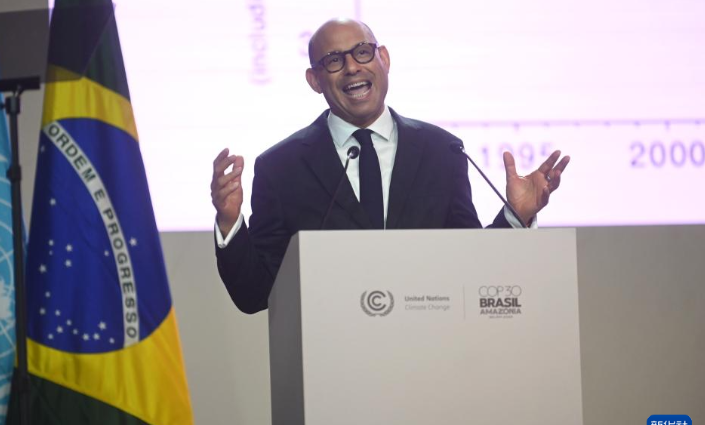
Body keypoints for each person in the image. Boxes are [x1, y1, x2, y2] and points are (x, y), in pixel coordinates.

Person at [211, 18, 569, 314]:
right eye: (334, 60)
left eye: (362, 52)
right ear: (315, 80)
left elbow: (471, 267)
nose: (352, 67)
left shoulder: (441, 151)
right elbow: (255, 294)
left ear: (383, 58)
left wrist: (516, 216)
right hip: (333, 364)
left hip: (430, 357)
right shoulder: (281, 167)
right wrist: (229, 222)